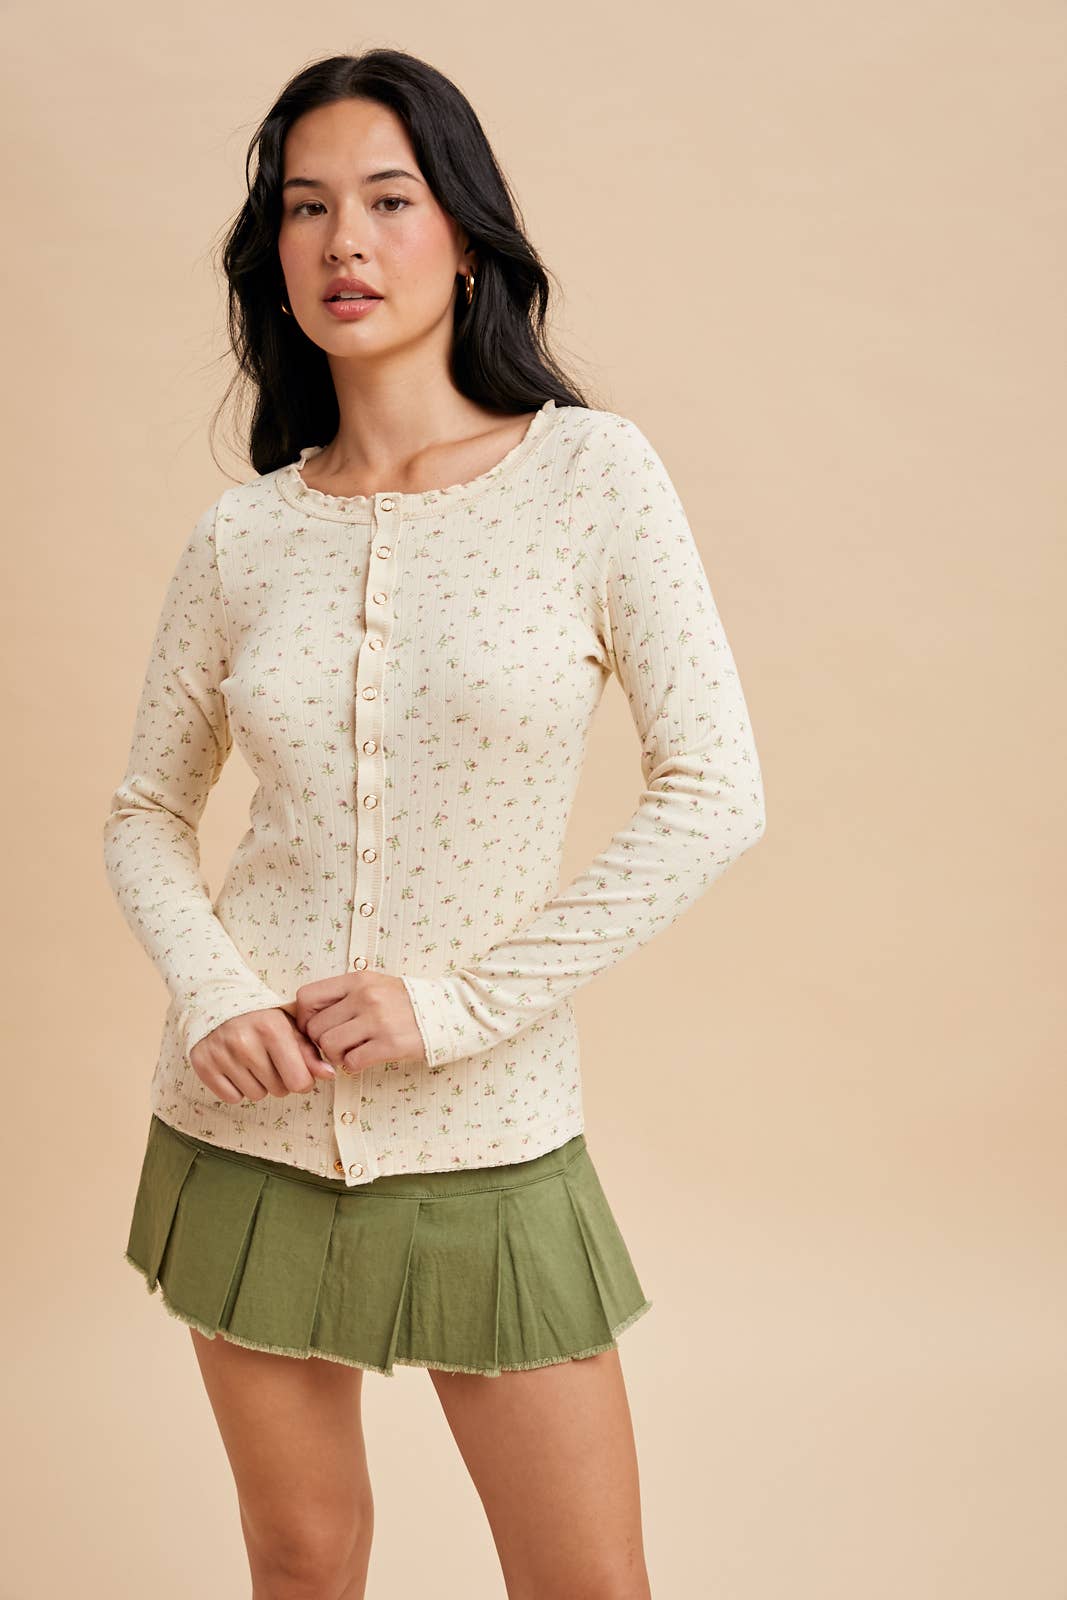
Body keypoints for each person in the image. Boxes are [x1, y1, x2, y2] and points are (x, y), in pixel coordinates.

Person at [102, 46, 766, 1600]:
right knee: (301, 1559)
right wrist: (216, 994)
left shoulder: (592, 477)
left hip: (488, 1128)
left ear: (464, 235)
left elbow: (716, 791)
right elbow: (147, 812)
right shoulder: (244, 533)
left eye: (389, 200)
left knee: (585, 1583)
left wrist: (454, 1007)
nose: (346, 241)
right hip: (243, 1128)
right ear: (275, 253)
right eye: (307, 207)